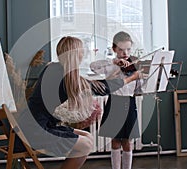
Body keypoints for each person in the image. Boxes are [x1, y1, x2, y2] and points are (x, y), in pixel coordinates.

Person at [27, 36, 138, 169]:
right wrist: (131, 78)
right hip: (37, 130)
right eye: (82, 51)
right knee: (86, 145)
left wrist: (114, 66)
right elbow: (100, 88)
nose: (84, 54)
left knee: (87, 136)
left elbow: (93, 85)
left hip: (33, 124)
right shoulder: (65, 76)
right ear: (76, 55)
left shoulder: (53, 68)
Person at [91, 31, 140, 169]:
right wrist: (113, 61)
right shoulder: (111, 64)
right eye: (121, 50)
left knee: (128, 141)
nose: (125, 53)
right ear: (114, 49)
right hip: (114, 102)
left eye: (128, 49)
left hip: (129, 102)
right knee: (115, 140)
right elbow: (93, 67)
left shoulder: (134, 63)